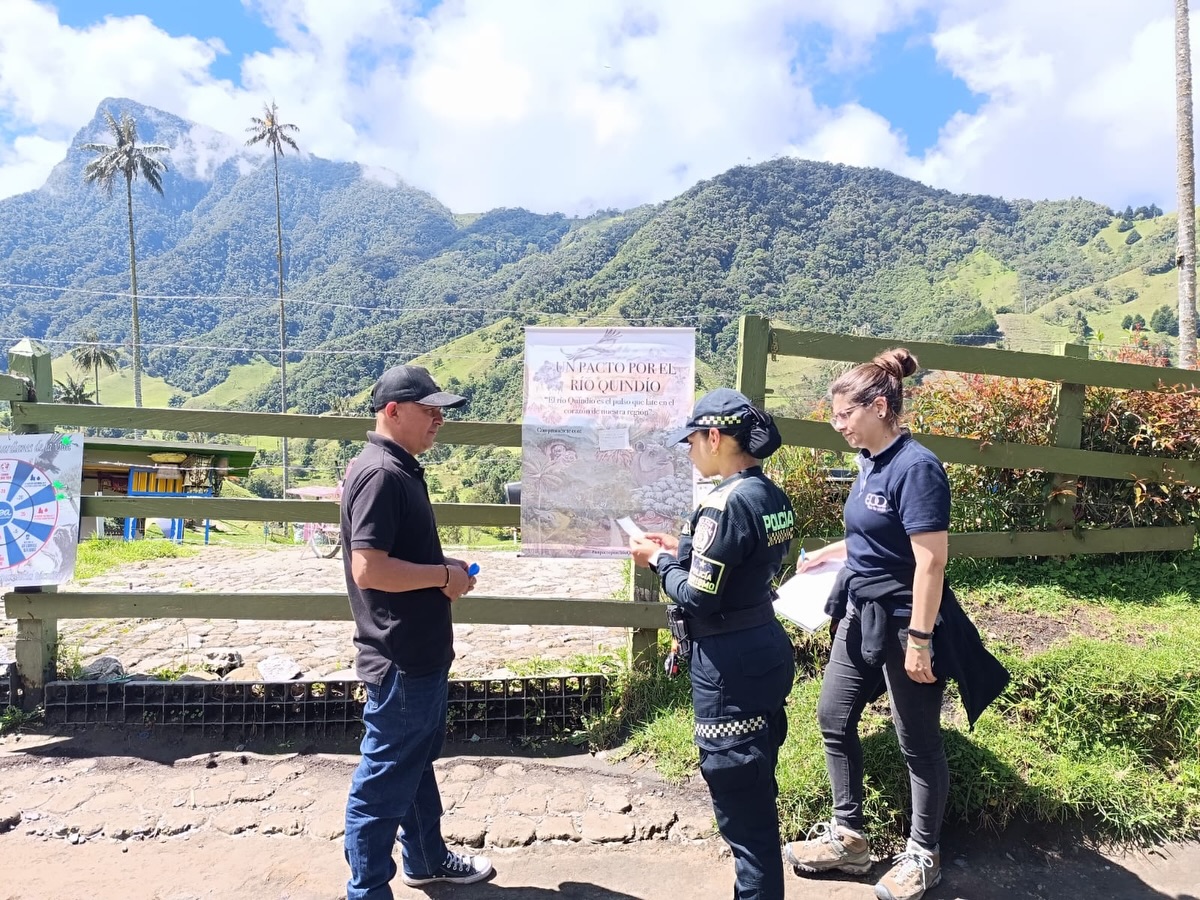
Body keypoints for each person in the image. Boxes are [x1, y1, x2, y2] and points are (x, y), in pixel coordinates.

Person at [783, 349, 1009, 900]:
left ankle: (922, 855)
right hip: (858, 615)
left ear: (879, 406)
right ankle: (850, 839)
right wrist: (832, 554)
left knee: (919, 744)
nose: (837, 425)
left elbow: (930, 560)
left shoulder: (918, 468)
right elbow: (877, 536)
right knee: (833, 717)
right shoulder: (869, 460)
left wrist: (921, 640)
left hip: (907, 621)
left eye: (844, 415)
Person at [629, 388, 797, 900]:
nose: (689, 451)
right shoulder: (770, 495)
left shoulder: (724, 503)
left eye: (693, 441)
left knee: (740, 805)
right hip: (763, 645)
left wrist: (659, 563)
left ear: (715, 436)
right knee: (756, 786)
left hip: (727, 664)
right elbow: (742, 566)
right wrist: (679, 550)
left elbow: (699, 595)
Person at [340, 364, 493, 900]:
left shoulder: (394, 468)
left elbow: (390, 557)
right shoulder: (383, 473)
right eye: (428, 410)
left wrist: (439, 565)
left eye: (440, 411)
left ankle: (426, 859)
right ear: (392, 411)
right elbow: (369, 568)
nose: (438, 421)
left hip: (415, 652)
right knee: (382, 781)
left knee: (412, 761)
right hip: (401, 656)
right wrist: (441, 577)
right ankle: (367, 890)